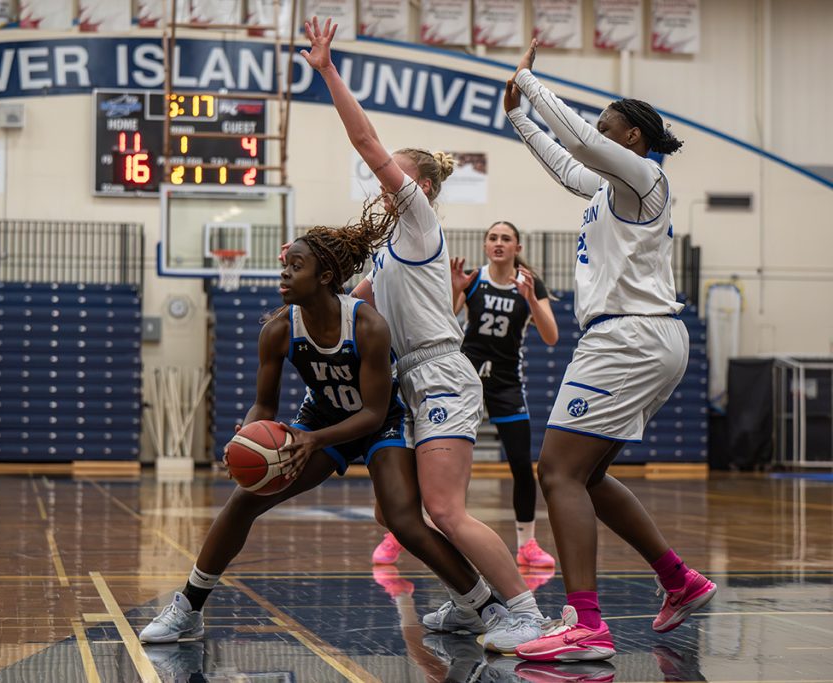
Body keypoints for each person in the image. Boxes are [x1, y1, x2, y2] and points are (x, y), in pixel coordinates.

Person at [139, 201, 498, 646]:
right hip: (321, 419)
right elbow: (263, 407)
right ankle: (189, 607)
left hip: (378, 423)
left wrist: (312, 440)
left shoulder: (367, 324)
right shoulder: (277, 330)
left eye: (296, 265)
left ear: (325, 277)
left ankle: (482, 605)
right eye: (284, 265)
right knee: (243, 500)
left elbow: (370, 412)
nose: (284, 273)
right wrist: (248, 437)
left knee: (403, 521)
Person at [301, 16, 546, 653]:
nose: (383, 183)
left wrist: (327, 70)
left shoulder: (418, 221)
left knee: (445, 509)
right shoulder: (385, 257)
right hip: (407, 379)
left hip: (439, 371)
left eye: (395, 176)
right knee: (394, 512)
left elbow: (367, 143)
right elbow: (347, 306)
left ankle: (522, 610)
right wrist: (300, 274)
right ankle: (470, 603)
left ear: (422, 187)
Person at [500, 40, 717, 662]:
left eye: (606, 127)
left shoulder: (647, 178)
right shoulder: (609, 190)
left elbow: (577, 144)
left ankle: (586, 625)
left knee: (558, 471)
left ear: (635, 140)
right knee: (587, 474)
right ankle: (680, 580)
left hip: (629, 336)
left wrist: (532, 84)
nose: (595, 135)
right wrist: (519, 116)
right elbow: (569, 165)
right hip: (640, 338)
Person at [373, 221, 560, 577]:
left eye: (506, 238)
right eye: (493, 238)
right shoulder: (474, 279)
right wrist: (457, 291)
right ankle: (399, 534)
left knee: (521, 464)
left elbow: (550, 335)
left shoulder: (530, 284)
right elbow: (442, 320)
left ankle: (528, 544)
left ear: (517, 247)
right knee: (426, 460)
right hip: (464, 377)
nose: (499, 243)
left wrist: (532, 300)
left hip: (505, 383)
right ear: (485, 245)